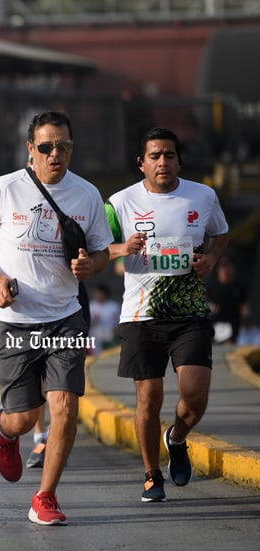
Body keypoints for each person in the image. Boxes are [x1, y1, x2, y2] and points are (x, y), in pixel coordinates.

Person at [0, 111, 112, 526]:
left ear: (71, 149)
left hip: (65, 315)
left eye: (62, 146)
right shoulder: (5, 188)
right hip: (13, 319)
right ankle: (5, 430)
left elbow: (102, 251)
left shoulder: (87, 195)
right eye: (45, 147)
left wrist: (91, 267)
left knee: (64, 405)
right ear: (31, 149)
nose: (54, 154)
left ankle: (46, 496)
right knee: (25, 418)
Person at [105, 126, 229, 502]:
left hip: (189, 311)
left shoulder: (203, 195)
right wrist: (122, 248)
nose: (163, 162)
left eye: (169, 155)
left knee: (194, 395)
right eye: (155, 156)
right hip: (141, 314)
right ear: (141, 163)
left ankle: (176, 438)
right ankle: (150, 474)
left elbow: (220, 234)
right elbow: (99, 249)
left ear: (179, 160)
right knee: (149, 398)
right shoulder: (120, 202)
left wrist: (210, 258)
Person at [206, 255, 246, 344]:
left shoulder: (238, 287)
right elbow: (202, 304)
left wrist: (245, 318)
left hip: (233, 324)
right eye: (222, 267)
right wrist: (212, 307)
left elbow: (244, 306)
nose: (225, 270)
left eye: (228, 266)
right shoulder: (211, 286)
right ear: (218, 269)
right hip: (216, 324)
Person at [89, 283, 121, 353]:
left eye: (100, 294)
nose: (98, 296)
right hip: (95, 337)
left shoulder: (114, 306)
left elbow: (120, 322)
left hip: (111, 335)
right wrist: (93, 321)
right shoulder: (90, 306)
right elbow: (86, 324)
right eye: (96, 294)